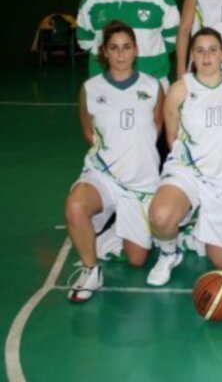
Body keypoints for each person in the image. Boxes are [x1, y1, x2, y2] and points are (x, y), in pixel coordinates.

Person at [146, 28, 222, 286]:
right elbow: (172, 139)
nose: (206, 56)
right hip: (188, 172)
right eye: (200, 50)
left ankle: (199, 231)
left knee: (220, 261)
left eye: (213, 50)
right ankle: (168, 253)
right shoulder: (178, 90)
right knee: (160, 216)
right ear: (192, 56)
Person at [64, 21, 163, 302]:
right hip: (103, 175)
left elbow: (156, 129)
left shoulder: (153, 86)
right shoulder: (90, 88)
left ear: (136, 51)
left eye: (126, 47)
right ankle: (91, 270)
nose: (120, 54)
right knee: (75, 206)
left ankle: (111, 234)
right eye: (114, 48)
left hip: (140, 182)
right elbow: (88, 131)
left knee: (137, 259)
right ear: (104, 52)